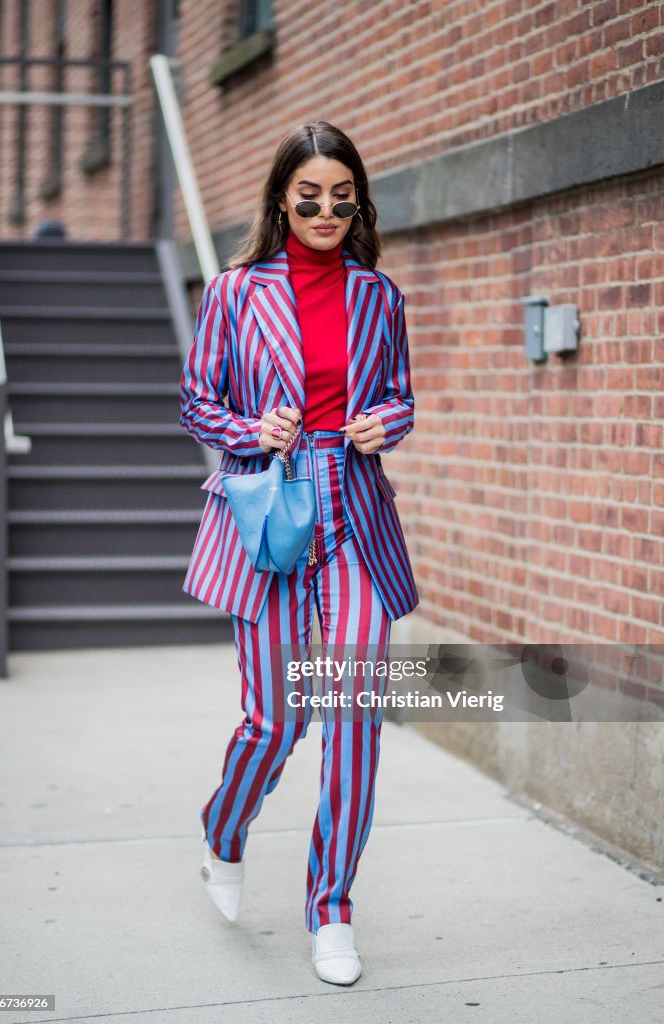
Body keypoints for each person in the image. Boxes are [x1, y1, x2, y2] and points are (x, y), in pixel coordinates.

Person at [178, 121, 419, 986]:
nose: (324, 211)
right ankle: (224, 829)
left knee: (353, 717)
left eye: (340, 197)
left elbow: (400, 399)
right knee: (279, 721)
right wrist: (253, 428)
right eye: (308, 196)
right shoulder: (236, 292)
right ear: (283, 198)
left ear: (358, 201)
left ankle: (332, 906)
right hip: (271, 515)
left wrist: (380, 423)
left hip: (354, 510)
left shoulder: (378, 296)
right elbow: (197, 405)